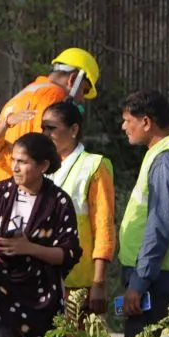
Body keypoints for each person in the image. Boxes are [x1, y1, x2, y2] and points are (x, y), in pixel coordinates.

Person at [0, 133, 81, 337]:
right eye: (13, 160)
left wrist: (30, 249)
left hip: (42, 300)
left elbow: (68, 253)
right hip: (0, 298)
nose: (15, 167)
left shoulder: (59, 202)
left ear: (43, 165)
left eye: (22, 162)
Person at [116, 90, 169, 334]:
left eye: (128, 120)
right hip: (166, 276)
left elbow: (159, 225)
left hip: (156, 281)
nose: (123, 127)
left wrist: (139, 282)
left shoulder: (166, 160)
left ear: (146, 122)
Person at [0, 47, 100, 184]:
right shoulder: (55, 96)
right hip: (30, 188)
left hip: (7, 188)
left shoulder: (25, 94)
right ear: (73, 79)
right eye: (84, 90)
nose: (82, 98)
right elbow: (47, 149)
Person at [42, 101, 117, 314]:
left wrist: (99, 283)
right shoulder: (42, 166)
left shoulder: (94, 165)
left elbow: (104, 226)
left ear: (74, 130)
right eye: (42, 128)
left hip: (79, 282)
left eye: (51, 128)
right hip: (45, 278)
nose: (45, 134)